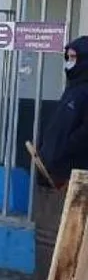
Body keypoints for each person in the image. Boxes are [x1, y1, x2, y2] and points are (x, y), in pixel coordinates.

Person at [43, 36, 88, 183]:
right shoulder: (72, 87)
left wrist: (65, 148)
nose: (70, 62)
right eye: (68, 57)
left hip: (76, 171)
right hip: (58, 170)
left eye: (74, 57)